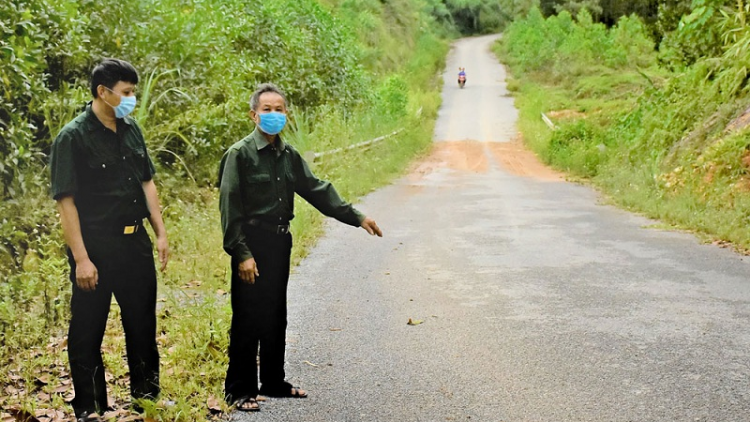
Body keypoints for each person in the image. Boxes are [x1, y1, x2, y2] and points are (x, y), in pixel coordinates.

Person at [218, 83, 382, 412]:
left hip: (280, 241)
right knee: (248, 317)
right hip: (252, 242)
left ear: (287, 114)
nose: (274, 115)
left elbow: (317, 190)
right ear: (253, 115)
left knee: (275, 314)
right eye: (267, 109)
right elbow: (229, 206)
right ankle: (239, 390)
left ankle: (274, 382)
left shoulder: (288, 155)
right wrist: (242, 253)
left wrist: (356, 216)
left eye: (280, 109)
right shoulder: (240, 155)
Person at [49, 58, 169, 422]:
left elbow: (147, 182)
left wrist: (160, 232)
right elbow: (65, 202)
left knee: (142, 326)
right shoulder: (72, 137)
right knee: (87, 330)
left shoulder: (131, 129)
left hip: (135, 245)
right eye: (127, 92)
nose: (132, 98)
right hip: (96, 247)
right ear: (103, 92)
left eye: (133, 91)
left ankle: (145, 399)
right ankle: (90, 407)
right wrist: (82, 259)